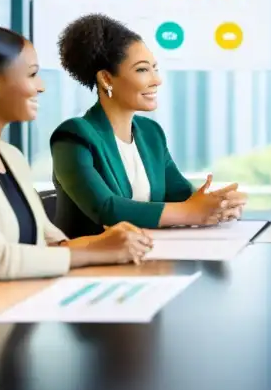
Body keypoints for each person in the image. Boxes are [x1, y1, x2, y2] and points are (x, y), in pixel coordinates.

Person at [0, 27, 153, 300]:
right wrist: (97, 250)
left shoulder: (11, 157)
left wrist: (112, 240)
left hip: (16, 309)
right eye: (31, 74)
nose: (41, 86)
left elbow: (50, 240)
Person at [51, 14, 245, 237]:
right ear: (106, 79)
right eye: (143, 70)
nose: (156, 80)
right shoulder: (73, 136)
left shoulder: (150, 133)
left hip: (147, 258)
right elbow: (107, 209)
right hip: (92, 264)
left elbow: (183, 196)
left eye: (155, 68)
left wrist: (220, 204)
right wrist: (192, 212)